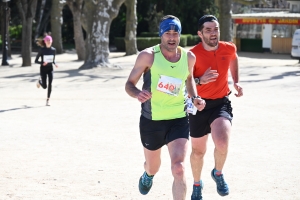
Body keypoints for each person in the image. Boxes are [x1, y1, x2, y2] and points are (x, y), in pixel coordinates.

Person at [125, 15, 206, 199]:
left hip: (178, 119)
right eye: (167, 33)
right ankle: (148, 175)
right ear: (161, 34)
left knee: (179, 168)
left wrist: (195, 98)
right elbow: (129, 84)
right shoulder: (148, 56)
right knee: (153, 166)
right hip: (151, 121)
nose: (172, 37)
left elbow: (188, 78)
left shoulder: (188, 57)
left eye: (175, 33)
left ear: (179, 34)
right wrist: (138, 93)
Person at [188, 15, 243, 200]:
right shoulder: (192, 55)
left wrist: (236, 81)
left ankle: (217, 173)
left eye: (216, 29)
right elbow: (184, 82)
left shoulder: (229, 48)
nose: (213, 33)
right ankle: (197, 184)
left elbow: (233, 59)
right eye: (209, 30)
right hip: (199, 106)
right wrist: (199, 80)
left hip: (221, 103)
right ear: (200, 33)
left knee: (222, 142)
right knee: (198, 151)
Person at [35, 34, 58, 106]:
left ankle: (48, 100)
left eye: (50, 41)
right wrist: (42, 63)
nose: (48, 42)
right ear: (45, 41)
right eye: (47, 41)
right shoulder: (42, 50)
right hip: (43, 69)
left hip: (50, 69)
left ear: (51, 41)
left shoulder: (53, 50)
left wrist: (55, 63)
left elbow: (53, 59)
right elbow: (36, 61)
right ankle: (40, 82)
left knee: (50, 83)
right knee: (45, 86)